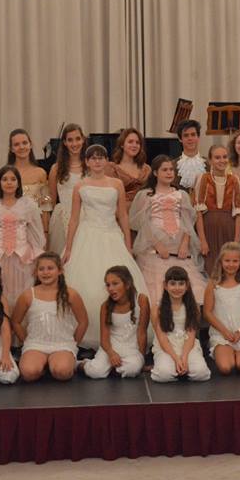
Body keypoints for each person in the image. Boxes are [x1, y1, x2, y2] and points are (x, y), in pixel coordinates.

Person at [62, 144, 149, 348]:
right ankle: (86, 333)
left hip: (112, 235)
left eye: (101, 157)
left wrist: (128, 244)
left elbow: (123, 215)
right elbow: (74, 219)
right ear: (87, 162)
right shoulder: (80, 186)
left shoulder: (116, 184)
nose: (97, 161)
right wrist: (69, 247)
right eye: (93, 158)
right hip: (87, 235)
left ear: (107, 161)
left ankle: (121, 333)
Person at [130, 155, 207, 305]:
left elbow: (188, 221)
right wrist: (157, 244)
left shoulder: (181, 195)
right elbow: (143, 223)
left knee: (186, 280)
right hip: (154, 243)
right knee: (157, 286)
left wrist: (184, 244)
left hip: (178, 242)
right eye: (164, 170)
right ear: (155, 173)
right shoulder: (146, 195)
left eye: (171, 169)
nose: (169, 173)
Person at [0, 165, 45, 306]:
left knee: (22, 292)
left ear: (18, 183)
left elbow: (36, 233)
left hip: (22, 257)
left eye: (13, 179)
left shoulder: (28, 205)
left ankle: (19, 317)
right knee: (0, 291)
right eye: (5, 179)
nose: (9, 183)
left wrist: (36, 254)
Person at [12, 253, 88, 382]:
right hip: (36, 344)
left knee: (62, 372)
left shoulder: (70, 294)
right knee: (29, 373)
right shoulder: (28, 295)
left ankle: (71, 362)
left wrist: (74, 343)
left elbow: (83, 321)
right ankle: (43, 364)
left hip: (62, 344)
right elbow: (16, 321)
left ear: (60, 271)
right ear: (36, 272)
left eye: (50, 268)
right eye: (41, 269)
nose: (45, 272)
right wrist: (26, 341)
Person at [81, 266, 150, 378]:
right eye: (108, 285)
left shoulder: (141, 300)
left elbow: (142, 333)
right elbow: (104, 339)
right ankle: (82, 364)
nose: (111, 288)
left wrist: (142, 360)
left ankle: (112, 368)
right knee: (95, 372)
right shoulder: (105, 306)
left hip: (132, 349)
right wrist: (111, 354)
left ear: (127, 284)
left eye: (115, 284)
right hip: (111, 347)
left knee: (132, 369)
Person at [203, 242, 240, 375]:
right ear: (221, 261)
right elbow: (207, 312)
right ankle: (226, 351)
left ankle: (239, 353)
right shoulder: (213, 283)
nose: (231, 264)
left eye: (235, 261)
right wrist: (225, 332)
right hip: (222, 334)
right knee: (226, 368)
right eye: (227, 261)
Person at [150, 266, 211, 383]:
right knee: (164, 374)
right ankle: (173, 366)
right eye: (173, 284)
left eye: (181, 284)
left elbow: (191, 335)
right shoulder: (157, 308)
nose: (177, 288)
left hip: (187, 345)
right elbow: (161, 337)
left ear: (187, 285)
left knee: (201, 373)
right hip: (167, 346)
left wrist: (184, 357)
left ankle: (182, 368)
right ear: (165, 285)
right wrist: (176, 358)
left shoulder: (194, 307)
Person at [194, 144, 240, 274]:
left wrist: (237, 240)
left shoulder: (234, 180)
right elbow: (198, 212)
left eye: (224, 157)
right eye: (217, 157)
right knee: (210, 267)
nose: (222, 160)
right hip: (208, 229)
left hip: (228, 228)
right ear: (210, 160)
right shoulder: (203, 179)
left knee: (228, 266)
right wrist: (202, 240)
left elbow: (238, 212)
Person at [46, 123, 87, 255]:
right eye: (70, 140)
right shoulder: (56, 169)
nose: (74, 143)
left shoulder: (90, 166)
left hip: (87, 216)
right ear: (64, 142)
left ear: (83, 140)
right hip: (63, 217)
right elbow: (51, 201)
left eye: (78, 139)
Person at [7, 128, 53, 238]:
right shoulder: (7, 173)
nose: (21, 147)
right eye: (16, 144)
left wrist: (45, 232)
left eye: (24, 143)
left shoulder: (40, 173)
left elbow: (45, 206)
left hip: (35, 227)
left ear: (30, 145)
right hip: (12, 228)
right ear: (11, 149)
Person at [107, 127, 151, 204]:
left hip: (144, 207)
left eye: (137, 143)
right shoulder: (112, 169)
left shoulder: (146, 169)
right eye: (130, 142)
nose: (134, 145)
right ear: (122, 144)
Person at [174, 119, 206, 193]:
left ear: (198, 137)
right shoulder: (173, 165)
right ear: (180, 139)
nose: (190, 138)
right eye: (186, 135)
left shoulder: (209, 164)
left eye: (193, 134)